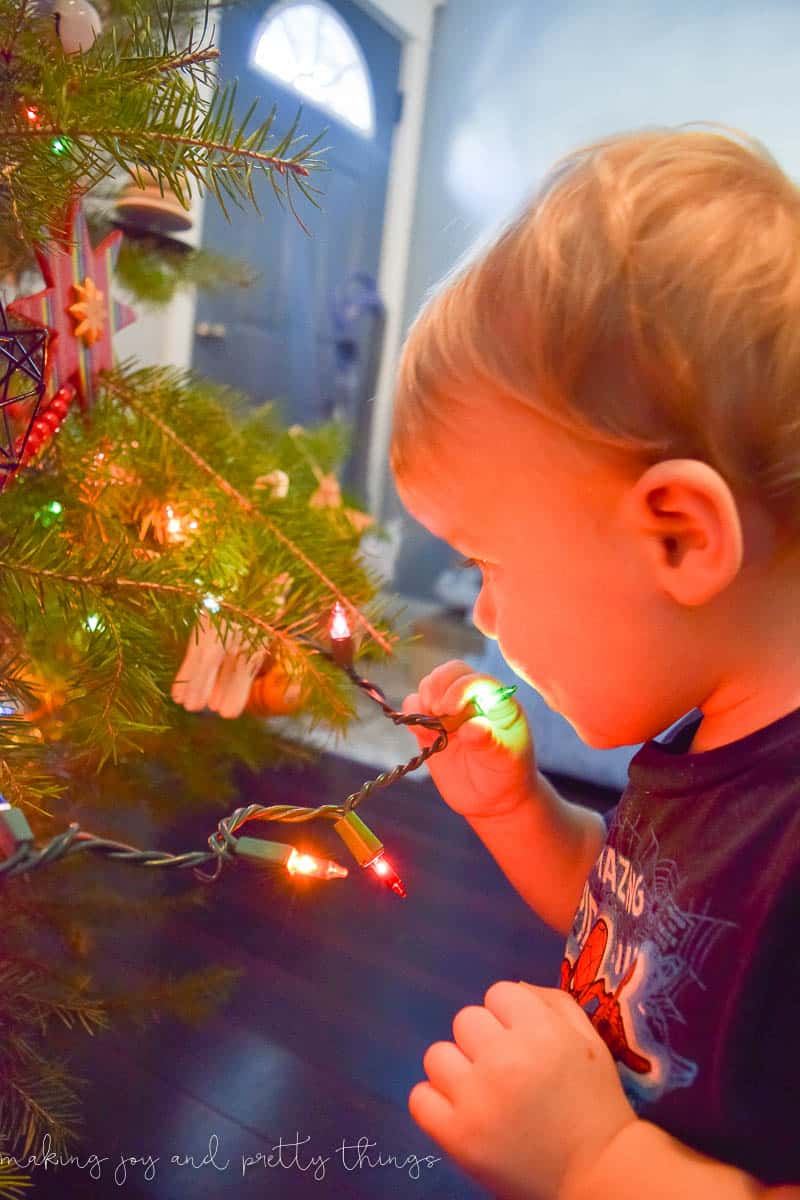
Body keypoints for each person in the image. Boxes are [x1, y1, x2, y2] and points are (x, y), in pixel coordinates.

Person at [390, 125, 800, 1199]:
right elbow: (643, 930)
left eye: (488, 561)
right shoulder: (703, 730)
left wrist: (597, 1160)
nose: (477, 612)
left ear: (676, 535)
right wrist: (516, 811)